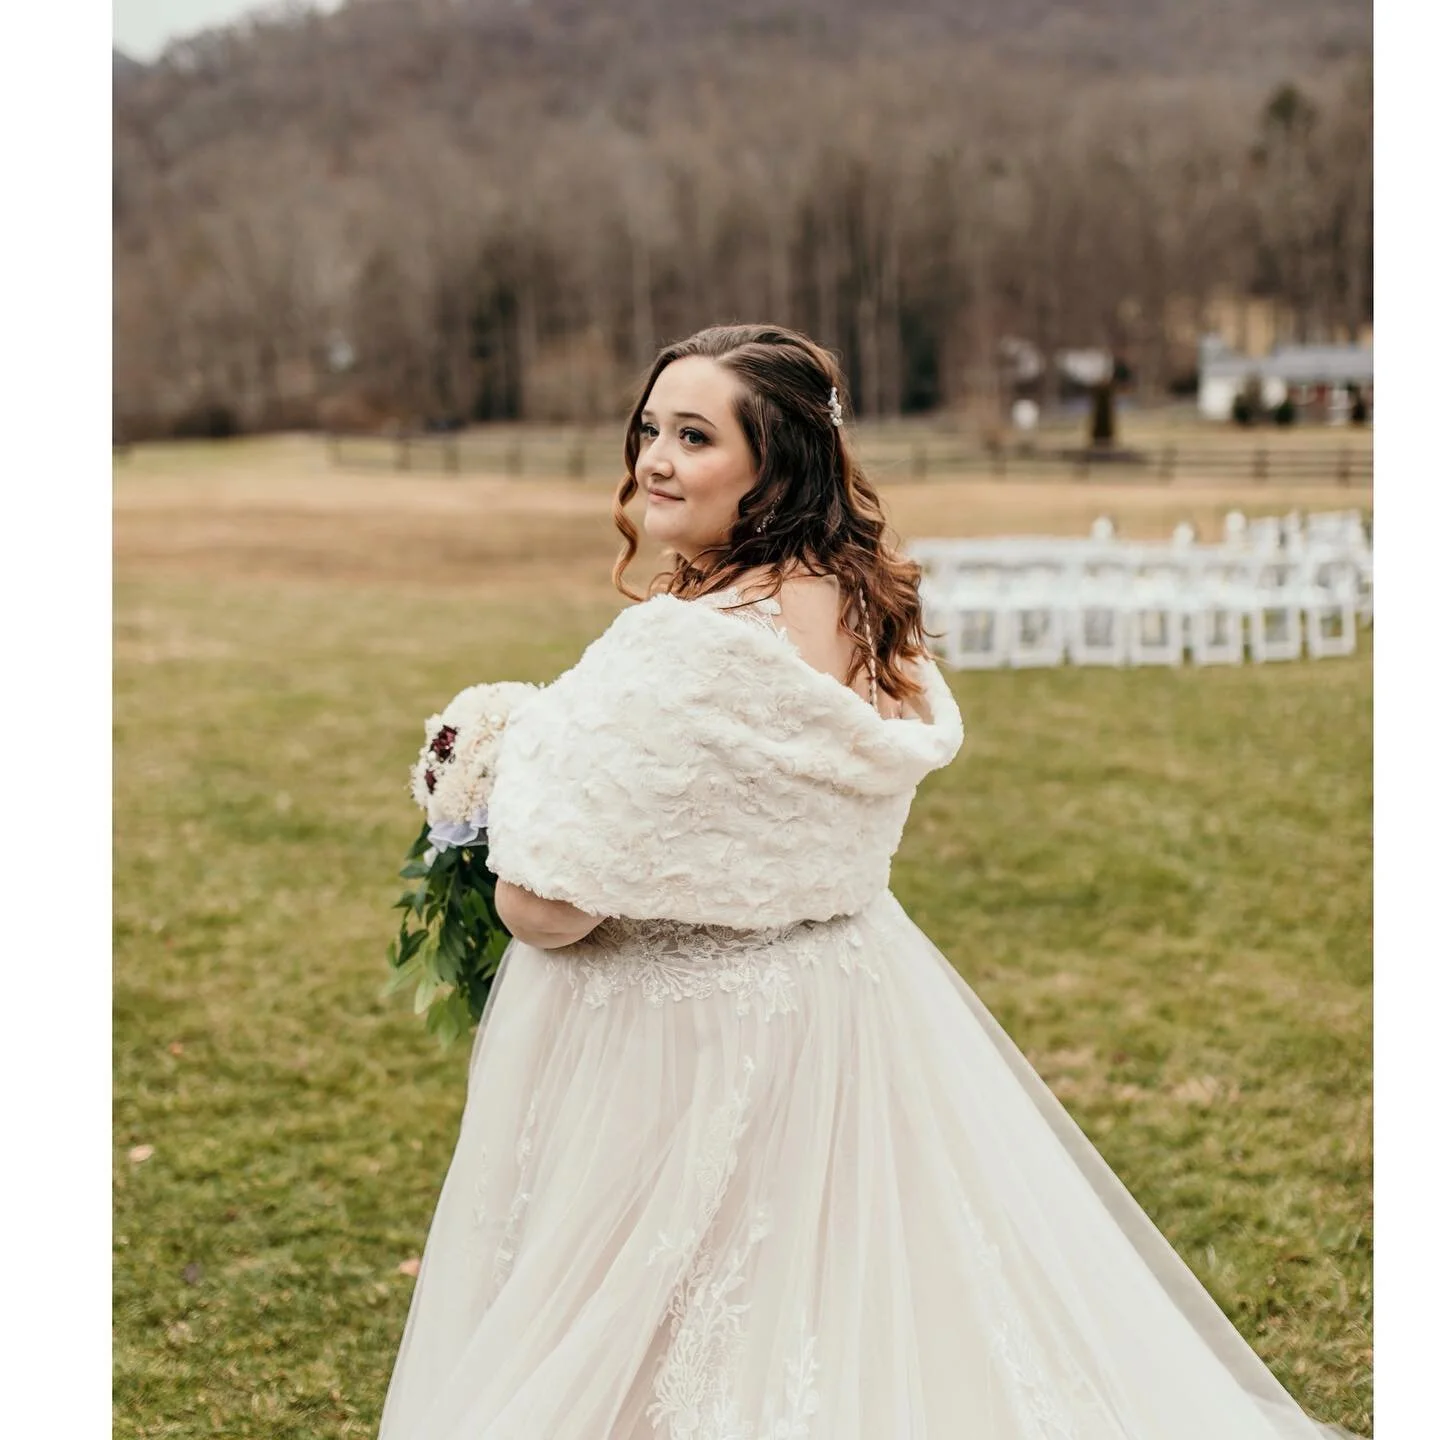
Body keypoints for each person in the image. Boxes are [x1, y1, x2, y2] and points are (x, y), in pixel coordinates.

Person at [377, 325, 1357, 1439]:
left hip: (675, 1061)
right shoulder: (857, 608)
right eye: (650, 427)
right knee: (846, 1316)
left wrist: (499, 795)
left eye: (694, 436)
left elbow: (547, 908)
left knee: (648, 1345)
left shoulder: (681, 650)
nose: (653, 457)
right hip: (844, 1017)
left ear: (775, 464)